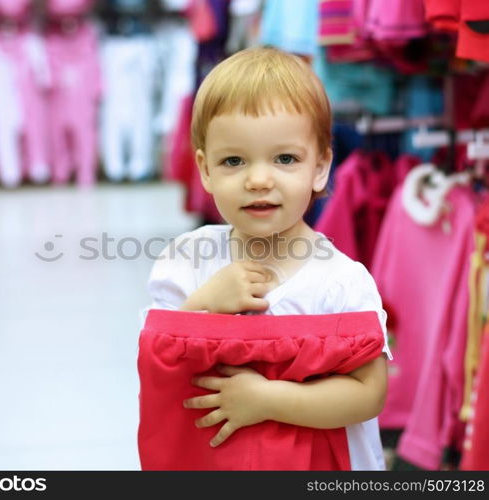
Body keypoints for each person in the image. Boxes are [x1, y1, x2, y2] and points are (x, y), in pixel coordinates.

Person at [141, 46, 391, 470]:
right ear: (204, 169)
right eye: (234, 160)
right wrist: (203, 306)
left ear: (320, 167)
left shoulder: (342, 281)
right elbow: (158, 368)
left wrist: (267, 399)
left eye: (285, 159)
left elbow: (368, 394)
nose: (259, 179)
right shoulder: (186, 261)